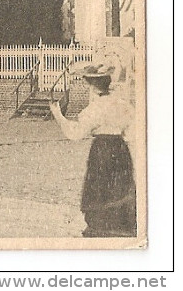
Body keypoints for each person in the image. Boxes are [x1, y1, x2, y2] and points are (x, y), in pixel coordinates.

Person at [50, 62, 136, 238]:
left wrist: (58, 115)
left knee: (100, 185)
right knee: (119, 185)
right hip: (120, 148)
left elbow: (76, 133)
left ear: (93, 87)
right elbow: (131, 132)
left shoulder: (95, 108)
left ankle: (101, 226)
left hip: (102, 149)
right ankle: (122, 223)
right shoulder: (123, 105)